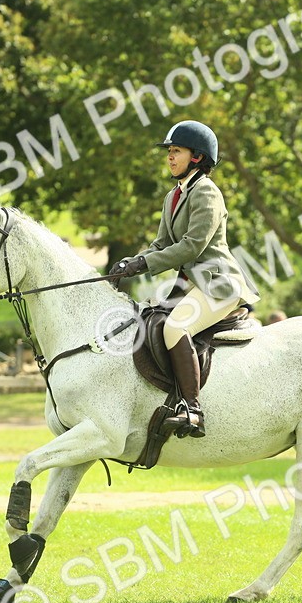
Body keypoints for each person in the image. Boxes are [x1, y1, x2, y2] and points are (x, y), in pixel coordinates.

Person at [114, 120, 261, 438]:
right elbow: (162, 245)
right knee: (146, 319)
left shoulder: (207, 192)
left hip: (216, 283)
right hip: (187, 283)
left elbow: (192, 246)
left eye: (175, 151)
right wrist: (133, 263)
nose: (169, 156)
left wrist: (145, 262)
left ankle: (193, 410)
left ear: (196, 157)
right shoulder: (173, 196)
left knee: (175, 326)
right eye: (168, 151)